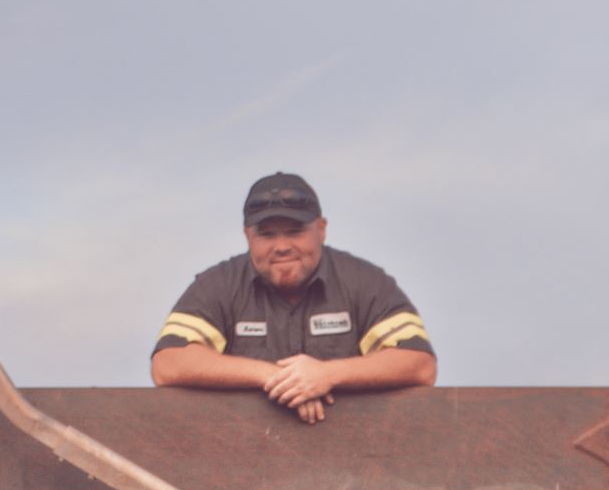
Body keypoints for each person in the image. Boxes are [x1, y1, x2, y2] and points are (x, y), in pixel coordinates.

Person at [151, 173, 435, 425]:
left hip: (357, 464)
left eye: (295, 231)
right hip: (238, 462)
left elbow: (419, 364)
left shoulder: (365, 281)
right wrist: (274, 377)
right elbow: (168, 364)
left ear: (321, 229)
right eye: (267, 235)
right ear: (247, 236)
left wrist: (326, 374)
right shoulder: (217, 285)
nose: (282, 246)